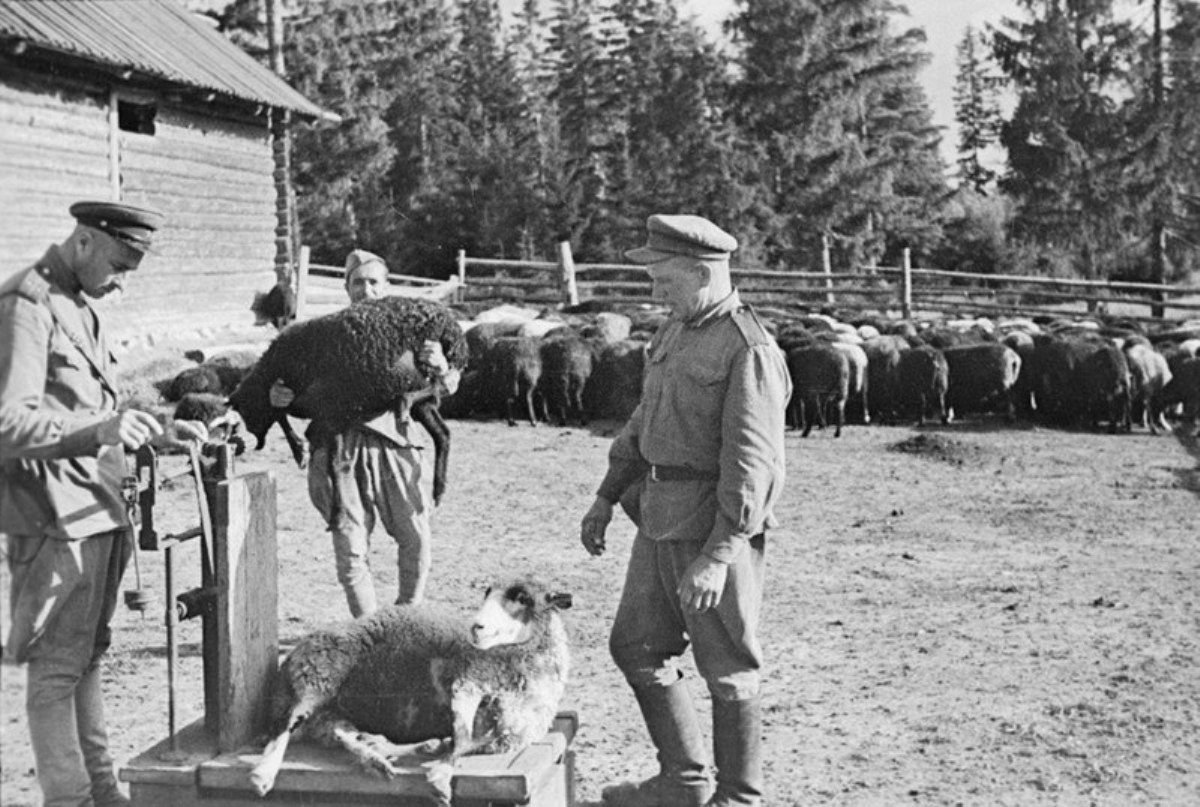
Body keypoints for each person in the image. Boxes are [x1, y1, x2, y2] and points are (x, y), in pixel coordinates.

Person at [0, 201, 208, 806]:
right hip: (53, 515)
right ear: (85, 242)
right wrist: (102, 429)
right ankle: (71, 799)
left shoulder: (82, 308)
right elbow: (9, 423)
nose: (121, 283)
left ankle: (103, 790)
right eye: (119, 265)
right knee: (56, 670)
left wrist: (160, 431)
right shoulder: (26, 307)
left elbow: (94, 409)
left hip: (101, 506)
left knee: (89, 656)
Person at [579, 215, 791, 807]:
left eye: (664, 280)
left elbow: (754, 466)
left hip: (713, 527)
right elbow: (644, 422)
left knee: (727, 666)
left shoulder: (748, 349)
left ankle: (739, 798)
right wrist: (605, 492)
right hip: (657, 515)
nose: (655, 293)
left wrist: (719, 555)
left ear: (703, 272)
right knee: (637, 646)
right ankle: (684, 781)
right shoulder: (676, 330)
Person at [268, 249, 459, 617]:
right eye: (358, 282)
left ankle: (408, 614)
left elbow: (446, 386)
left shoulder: (412, 333)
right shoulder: (324, 335)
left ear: (386, 286)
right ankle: (368, 629)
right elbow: (290, 387)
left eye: (374, 282)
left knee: (415, 536)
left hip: (395, 444)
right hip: (338, 451)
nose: (366, 290)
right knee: (350, 546)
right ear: (347, 288)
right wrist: (279, 396)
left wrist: (443, 368)